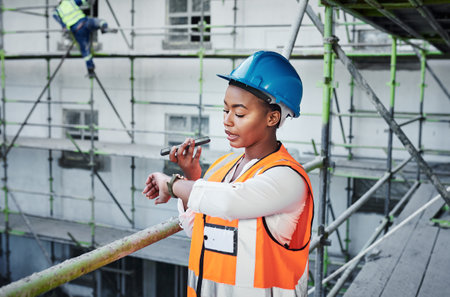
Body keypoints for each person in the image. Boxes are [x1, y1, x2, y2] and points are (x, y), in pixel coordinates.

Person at [143, 51, 314, 297]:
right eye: (225, 110)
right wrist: (192, 176)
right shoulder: (223, 166)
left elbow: (229, 202)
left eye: (240, 113)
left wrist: (172, 184)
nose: (228, 121)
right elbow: (200, 228)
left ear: (273, 117)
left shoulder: (288, 178)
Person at [53, 0, 115, 78]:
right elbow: (83, 1)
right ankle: (104, 27)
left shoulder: (57, 10)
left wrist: (64, 26)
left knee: (85, 51)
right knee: (100, 21)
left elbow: (56, 17)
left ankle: (90, 70)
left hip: (77, 30)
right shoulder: (70, 1)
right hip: (86, 22)